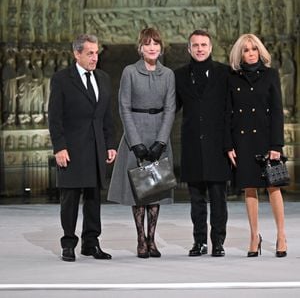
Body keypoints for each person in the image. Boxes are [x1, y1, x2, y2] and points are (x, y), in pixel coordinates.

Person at [107, 27, 176, 258]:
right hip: (135, 132)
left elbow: (170, 109)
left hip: (159, 134)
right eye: (148, 43)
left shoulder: (167, 74)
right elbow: (123, 107)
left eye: (156, 43)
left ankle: (152, 239)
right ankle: (140, 240)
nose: (152, 47)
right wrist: (135, 142)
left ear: (161, 46)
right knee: (139, 191)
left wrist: (161, 141)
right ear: (140, 47)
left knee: (154, 190)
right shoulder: (129, 72)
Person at [48, 34, 117, 262]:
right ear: (77, 53)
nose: (94, 57)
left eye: (96, 52)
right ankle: (68, 243)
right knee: (70, 200)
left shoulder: (104, 78)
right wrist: (59, 147)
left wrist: (110, 144)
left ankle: (91, 243)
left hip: (97, 147)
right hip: (71, 150)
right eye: (89, 53)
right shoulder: (61, 79)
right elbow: (54, 117)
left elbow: (107, 115)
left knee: (93, 199)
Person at [225, 34, 287, 257]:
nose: (250, 53)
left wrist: (276, 145)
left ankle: (281, 235)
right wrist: (229, 144)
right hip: (242, 140)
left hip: (266, 139)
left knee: (274, 186)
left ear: (259, 51)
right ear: (239, 53)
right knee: (249, 188)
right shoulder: (232, 77)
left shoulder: (270, 75)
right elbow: (227, 114)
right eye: (245, 50)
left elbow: (277, 112)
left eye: (253, 49)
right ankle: (254, 236)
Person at [174, 30, 231, 257]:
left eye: (203, 44)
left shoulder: (224, 73)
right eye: (195, 45)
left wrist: (230, 143)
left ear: (210, 47)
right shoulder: (179, 75)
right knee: (196, 200)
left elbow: (230, 111)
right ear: (189, 49)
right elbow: (172, 108)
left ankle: (218, 242)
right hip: (192, 146)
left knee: (219, 199)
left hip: (217, 146)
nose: (199, 48)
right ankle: (200, 242)